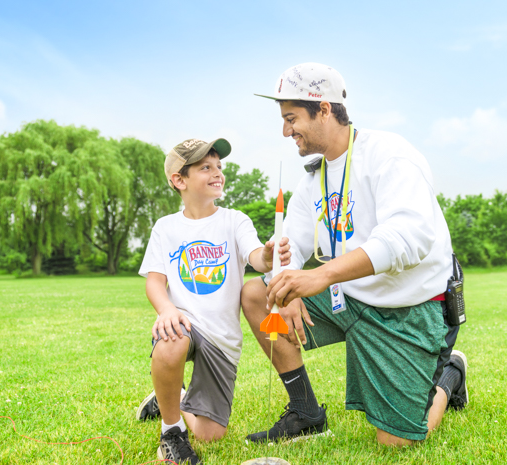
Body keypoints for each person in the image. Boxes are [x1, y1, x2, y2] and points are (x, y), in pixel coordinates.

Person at [241, 63, 469, 447]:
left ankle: (451, 376)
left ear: (325, 110)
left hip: (407, 307)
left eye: (292, 118)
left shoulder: (390, 155)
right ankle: (306, 413)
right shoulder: (313, 176)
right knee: (254, 295)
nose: (285, 131)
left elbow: (406, 238)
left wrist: (321, 275)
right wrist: (288, 275)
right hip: (347, 298)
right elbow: (292, 244)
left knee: (398, 442)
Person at [136, 137, 290, 464]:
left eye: (219, 166)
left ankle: (169, 397)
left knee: (210, 433)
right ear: (179, 180)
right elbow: (155, 281)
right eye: (205, 167)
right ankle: (171, 430)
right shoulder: (166, 228)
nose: (217, 172)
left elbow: (258, 259)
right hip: (185, 322)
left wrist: (268, 253)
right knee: (171, 339)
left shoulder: (234, 220)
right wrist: (166, 310)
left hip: (222, 339)